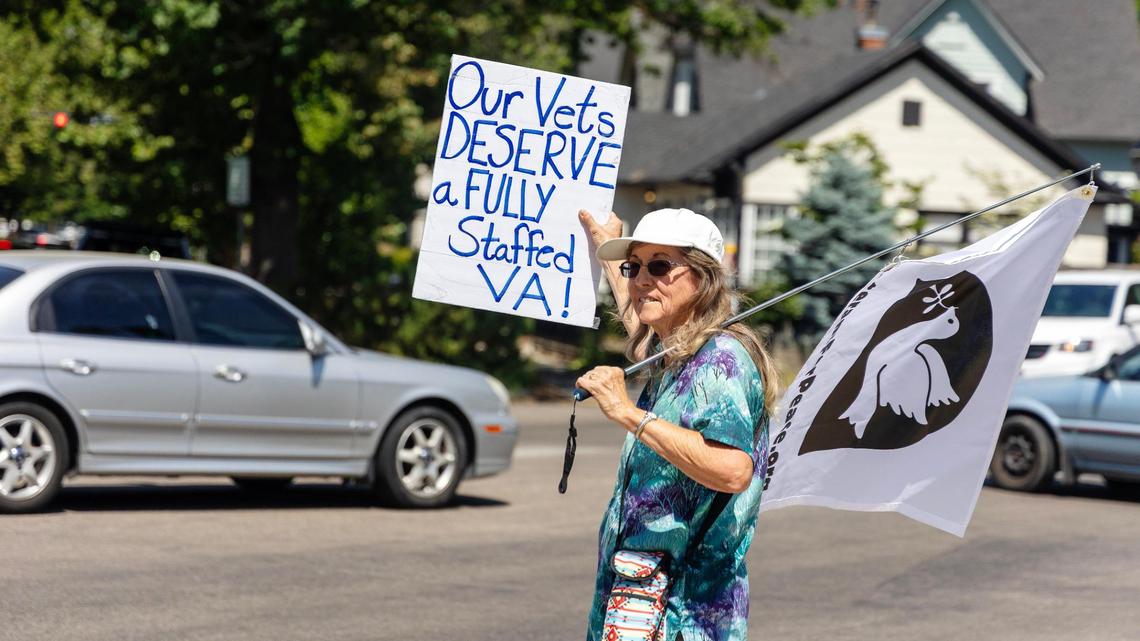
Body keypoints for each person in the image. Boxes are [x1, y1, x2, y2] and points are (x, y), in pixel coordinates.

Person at [574, 207, 780, 641]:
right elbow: (640, 318)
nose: (642, 280)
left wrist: (629, 413)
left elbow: (733, 470)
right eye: (636, 267)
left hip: (685, 614)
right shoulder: (675, 348)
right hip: (641, 600)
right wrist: (608, 251)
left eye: (661, 266)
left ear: (702, 278)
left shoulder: (722, 359)